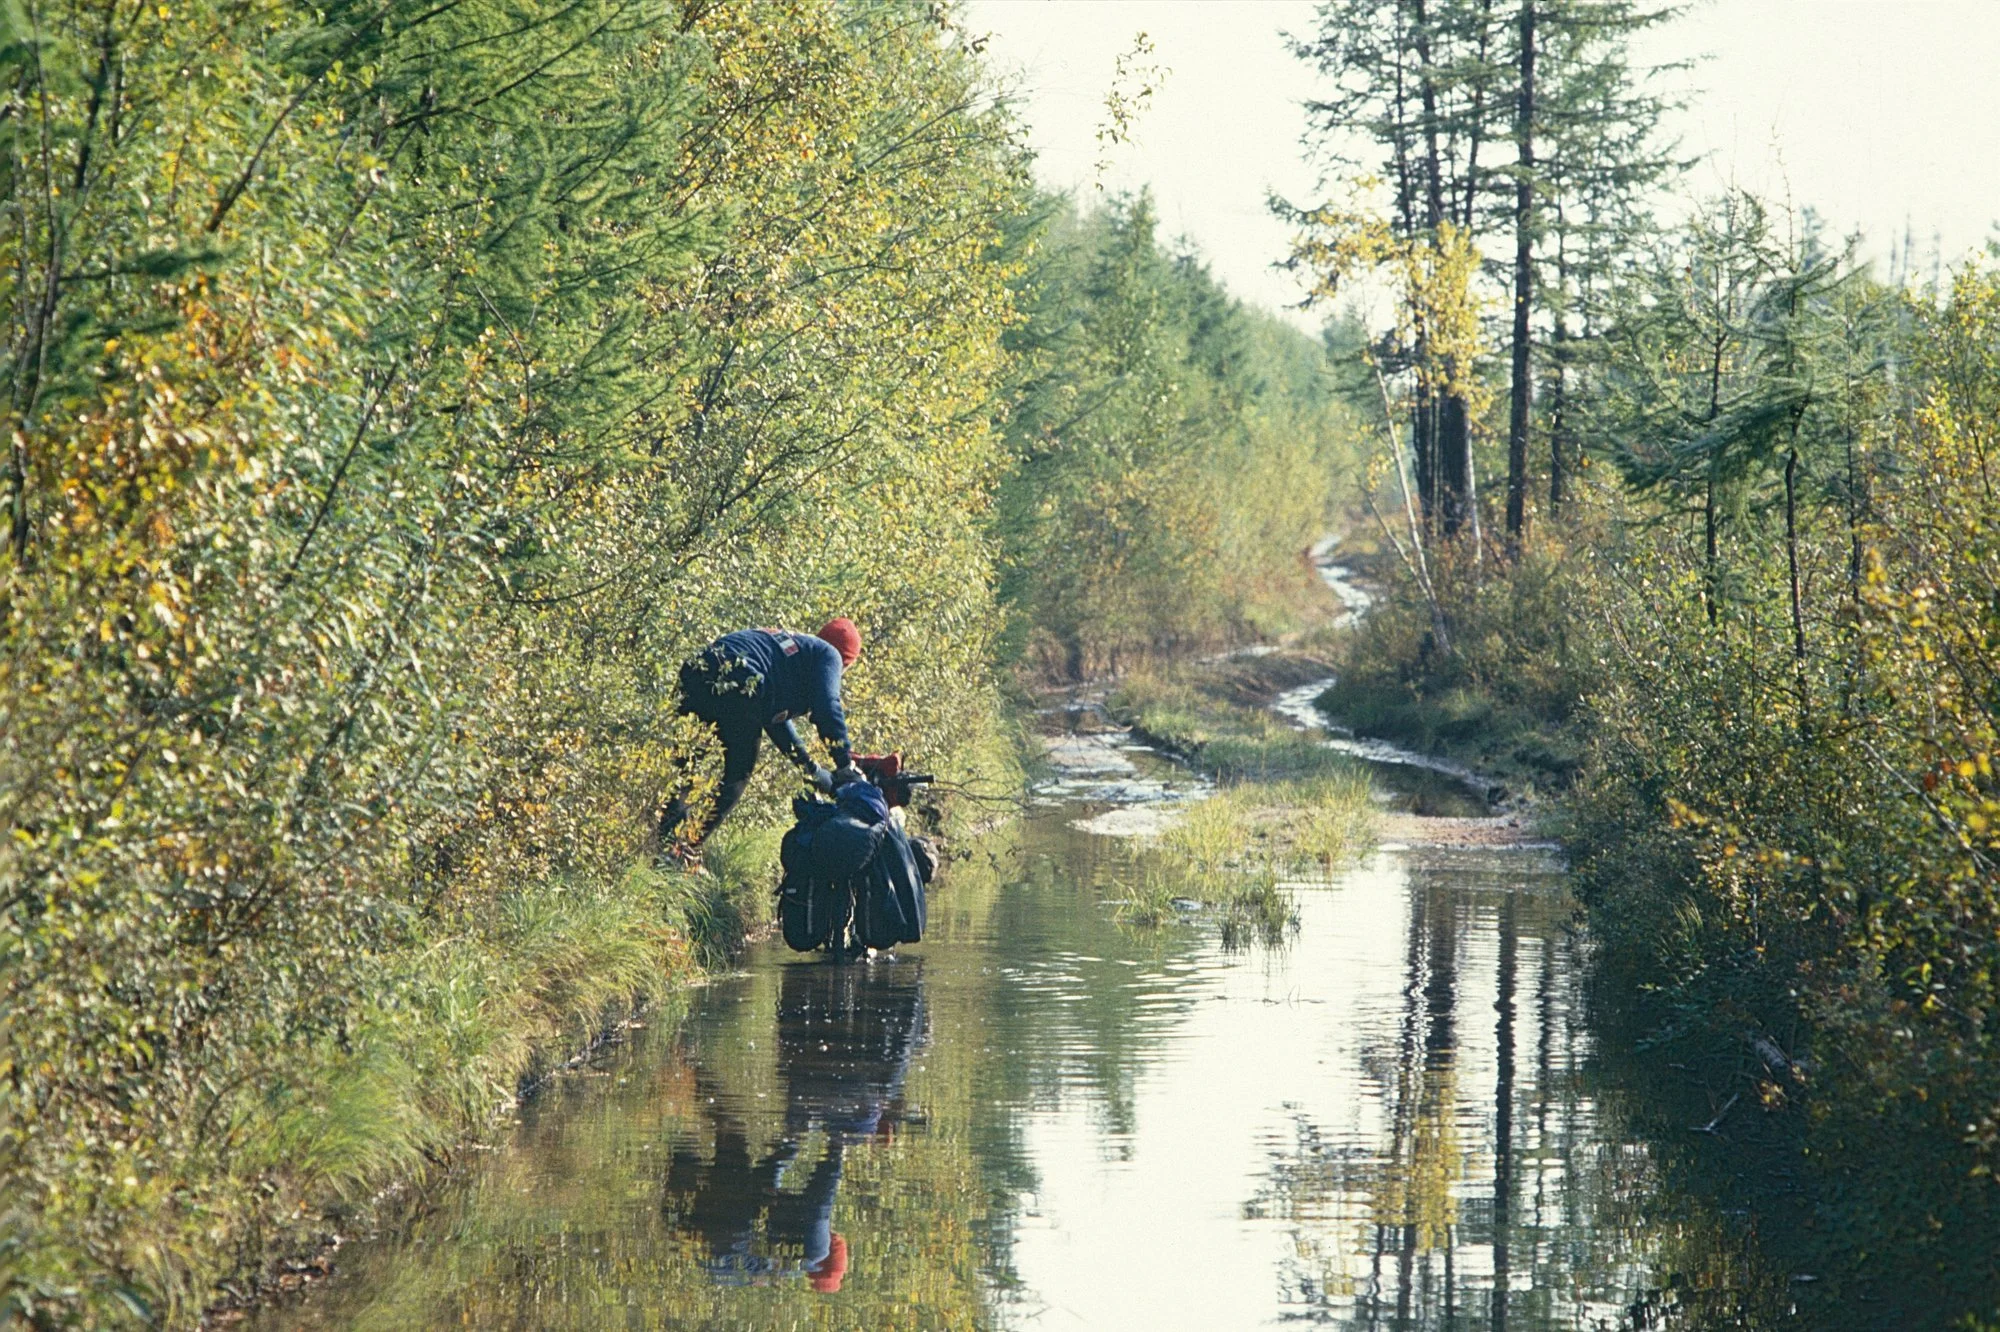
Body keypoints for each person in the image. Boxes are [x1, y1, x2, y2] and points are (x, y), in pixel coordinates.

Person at [659, 618, 864, 862]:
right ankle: (685, 851)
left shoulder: (793, 653)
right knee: (738, 773)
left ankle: (663, 843)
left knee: (685, 765)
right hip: (741, 680)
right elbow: (828, 707)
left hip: (698, 668)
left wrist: (812, 770)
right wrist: (844, 764)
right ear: (845, 661)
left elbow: (774, 721)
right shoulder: (829, 654)